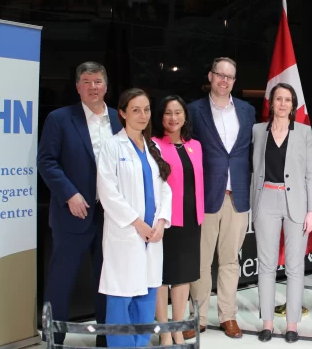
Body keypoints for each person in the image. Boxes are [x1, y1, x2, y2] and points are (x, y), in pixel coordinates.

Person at [37, 61, 122, 346]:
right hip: (73, 211)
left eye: (97, 81)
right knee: (61, 280)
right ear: (77, 87)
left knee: (107, 279)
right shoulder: (60, 119)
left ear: (106, 86)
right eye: (86, 82)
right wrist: (69, 194)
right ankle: (54, 338)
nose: (92, 87)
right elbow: (46, 161)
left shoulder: (119, 118)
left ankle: (105, 338)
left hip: (110, 214)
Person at [96, 88, 172, 347]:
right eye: (136, 110)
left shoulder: (152, 147)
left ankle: (140, 344)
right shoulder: (111, 146)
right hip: (127, 235)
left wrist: (160, 222)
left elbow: (165, 189)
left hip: (152, 236)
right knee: (121, 299)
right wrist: (138, 224)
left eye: (147, 110)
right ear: (122, 113)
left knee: (146, 299)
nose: (143, 115)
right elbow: (108, 192)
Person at [186, 57, 255, 339]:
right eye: (220, 75)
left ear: (234, 81)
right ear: (210, 76)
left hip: (237, 196)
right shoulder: (193, 110)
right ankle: (198, 317)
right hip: (205, 196)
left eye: (229, 77)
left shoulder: (247, 111)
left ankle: (228, 316)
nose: (224, 80)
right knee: (201, 261)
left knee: (230, 261)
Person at [251, 83, 312, 343]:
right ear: (271, 102)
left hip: (297, 203)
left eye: (287, 100)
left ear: (293, 105)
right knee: (266, 265)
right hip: (266, 199)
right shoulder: (258, 131)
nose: (282, 103)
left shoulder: (304, 132)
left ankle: (292, 325)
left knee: (294, 266)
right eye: (278, 99)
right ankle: (267, 323)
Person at [152, 95, 204, 345]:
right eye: (168, 113)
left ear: (185, 116)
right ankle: (164, 332)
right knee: (162, 277)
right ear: (160, 117)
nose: (173, 118)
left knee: (183, 276)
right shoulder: (153, 145)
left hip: (191, 219)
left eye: (178, 113)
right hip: (166, 220)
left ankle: (178, 329)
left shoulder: (195, 145)